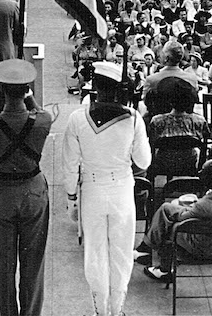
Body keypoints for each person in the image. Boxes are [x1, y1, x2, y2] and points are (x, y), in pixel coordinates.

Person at [62, 61, 151, 316]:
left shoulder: (78, 118)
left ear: (95, 87)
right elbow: (144, 161)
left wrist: (71, 197)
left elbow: (69, 166)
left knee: (95, 254)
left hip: (91, 189)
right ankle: (117, 309)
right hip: (122, 189)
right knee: (121, 254)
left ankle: (99, 311)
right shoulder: (132, 118)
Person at [0, 59, 52, 316]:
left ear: (1, 91)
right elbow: (41, 112)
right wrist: (29, 97)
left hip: (2, 193)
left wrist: (0, 169)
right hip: (33, 191)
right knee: (33, 262)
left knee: (3, 263)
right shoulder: (42, 121)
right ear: (27, 88)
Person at [139, 159, 212, 281]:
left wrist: (177, 204)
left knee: (170, 223)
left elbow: (181, 216)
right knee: (170, 214)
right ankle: (145, 248)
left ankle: (163, 269)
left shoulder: (205, 205)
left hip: (201, 246)